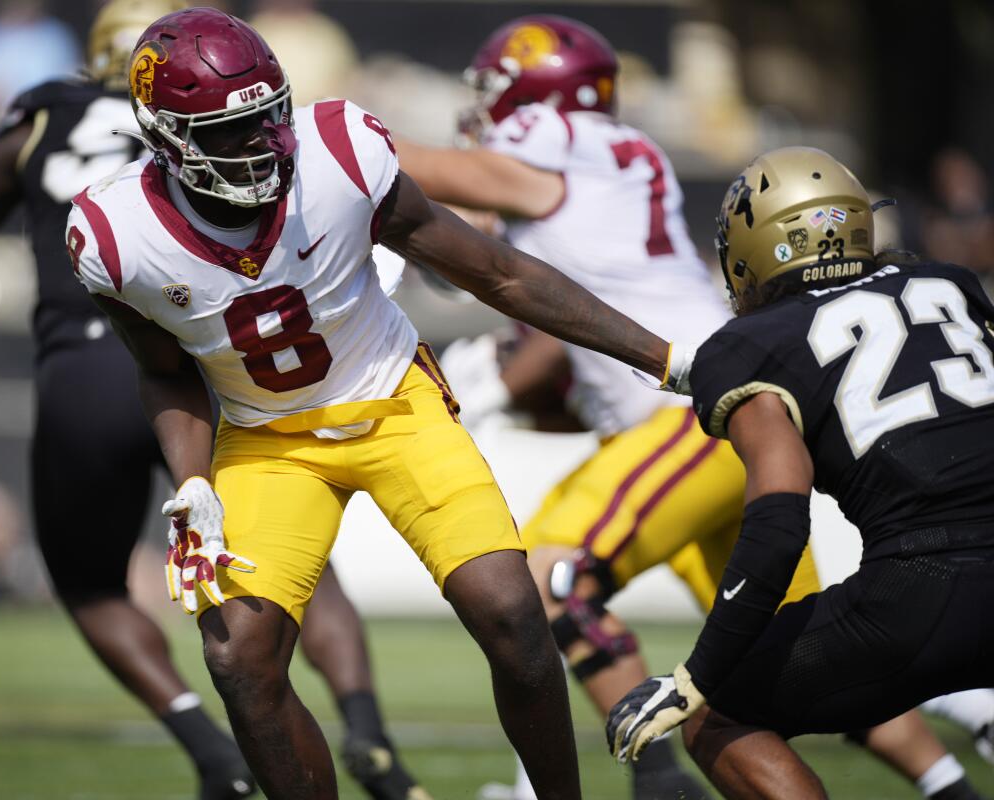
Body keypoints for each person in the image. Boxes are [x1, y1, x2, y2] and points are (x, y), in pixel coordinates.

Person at [66, 8, 689, 800]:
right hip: (267, 441)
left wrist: (663, 357)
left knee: (512, 617)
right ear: (168, 138)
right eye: (232, 130)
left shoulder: (335, 151)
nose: (262, 142)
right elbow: (164, 371)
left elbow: (496, 273)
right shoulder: (114, 234)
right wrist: (192, 481)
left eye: (267, 117)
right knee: (238, 660)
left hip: (396, 403)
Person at [0, 3, 427, 798]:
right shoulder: (241, 121)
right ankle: (369, 735)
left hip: (84, 372)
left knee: (88, 586)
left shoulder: (47, 120)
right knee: (294, 572)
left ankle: (212, 752)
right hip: (202, 368)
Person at [398, 16, 982, 800]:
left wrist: (326, 145)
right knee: (796, 639)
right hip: (693, 426)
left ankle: (657, 785)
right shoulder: (946, 284)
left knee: (553, 575)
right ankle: (950, 777)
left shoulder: (553, 142)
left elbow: (456, 205)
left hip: (687, 416)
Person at [607, 146, 994, 800]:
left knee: (717, 714)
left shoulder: (750, 345)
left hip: (926, 583)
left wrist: (697, 674)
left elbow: (780, 522)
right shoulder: (951, 284)